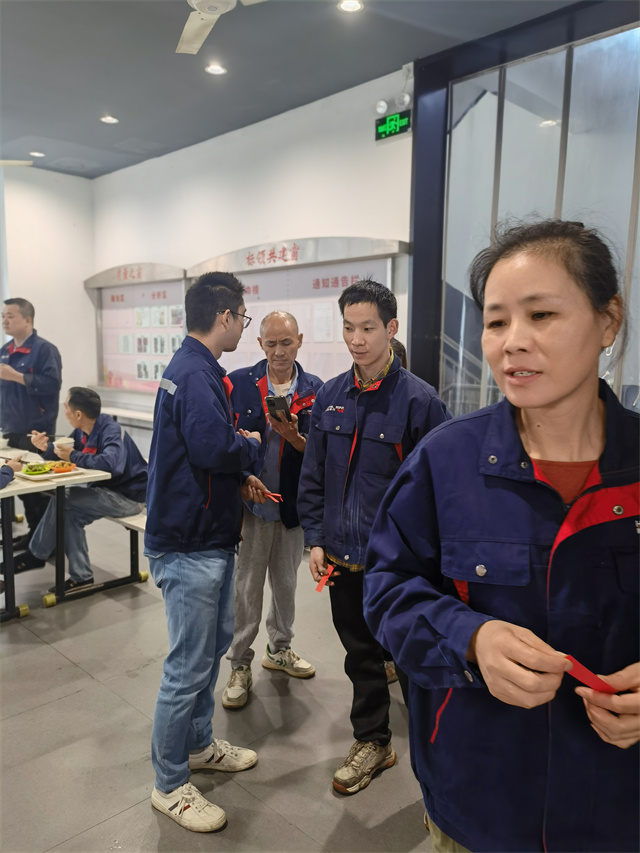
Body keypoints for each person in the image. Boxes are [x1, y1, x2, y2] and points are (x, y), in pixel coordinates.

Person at [363, 220, 639, 853]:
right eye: (495, 322)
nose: (513, 342)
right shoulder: (445, 462)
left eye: (541, 314)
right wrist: (470, 637)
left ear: (608, 320)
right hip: (480, 805)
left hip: (619, 810)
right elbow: (387, 588)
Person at [298, 279, 451, 795]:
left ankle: (438, 771)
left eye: (367, 328)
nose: (356, 339)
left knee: (411, 662)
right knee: (361, 656)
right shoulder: (330, 397)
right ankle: (373, 741)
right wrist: (316, 539)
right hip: (342, 559)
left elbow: (439, 492)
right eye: (348, 328)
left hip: (399, 567)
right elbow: (313, 476)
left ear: (391, 328)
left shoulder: (420, 402)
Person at [145, 272, 268, 834]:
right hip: (189, 544)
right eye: (243, 318)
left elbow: (202, 455)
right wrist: (250, 446)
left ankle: (197, 746)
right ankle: (170, 784)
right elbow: (212, 445)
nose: (243, 327)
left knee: (211, 651)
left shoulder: (198, 369)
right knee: (187, 667)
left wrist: (237, 475)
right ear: (225, 317)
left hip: (208, 537)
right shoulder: (195, 374)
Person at [222, 311, 322, 709]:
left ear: (300, 340)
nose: (279, 351)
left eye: (286, 342)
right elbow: (225, 442)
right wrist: (242, 478)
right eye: (271, 343)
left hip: (292, 505)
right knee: (247, 587)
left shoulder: (316, 389)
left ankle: (279, 648)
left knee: (286, 584)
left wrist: (294, 437)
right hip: (252, 506)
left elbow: (319, 456)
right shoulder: (239, 384)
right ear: (260, 344)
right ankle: (239, 663)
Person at [10, 387, 148, 592]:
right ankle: (82, 576)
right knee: (69, 514)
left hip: (128, 498)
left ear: (78, 414)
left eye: (66, 406)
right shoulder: (82, 431)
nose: (64, 410)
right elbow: (63, 454)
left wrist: (74, 456)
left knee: (63, 499)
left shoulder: (110, 430)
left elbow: (112, 464)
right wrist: (45, 448)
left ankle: (36, 554)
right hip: (104, 492)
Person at [0, 298, 62, 547]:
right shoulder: (5, 350)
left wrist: (17, 376)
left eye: (10, 316)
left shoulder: (44, 350)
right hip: (11, 428)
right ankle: (34, 536)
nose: (5, 320)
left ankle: (46, 543)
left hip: (37, 431)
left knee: (40, 488)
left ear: (27, 320)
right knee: (23, 486)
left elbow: (52, 384)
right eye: (3, 316)